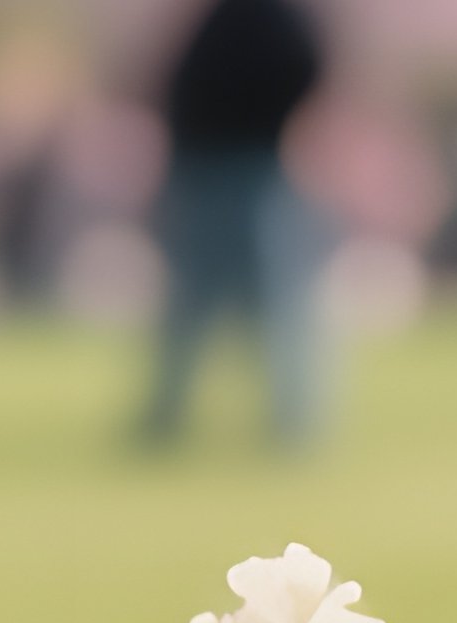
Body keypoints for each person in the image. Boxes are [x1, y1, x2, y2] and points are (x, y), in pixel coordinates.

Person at [138, 0, 327, 447]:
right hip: (205, 168)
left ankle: (293, 421)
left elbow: (306, 69)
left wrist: (264, 122)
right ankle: (169, 416)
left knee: (272, 301)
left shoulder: (271, 16)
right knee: (193, 305)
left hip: (251, 169)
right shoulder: (224, 17)